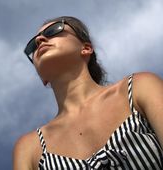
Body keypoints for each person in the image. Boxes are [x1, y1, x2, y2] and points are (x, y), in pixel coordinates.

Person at [13, 16, 163, 170]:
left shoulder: (139, 87)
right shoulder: (30, 148)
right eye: (32, 46)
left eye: (53, 30)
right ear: (42, 77)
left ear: (86, 48)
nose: (39, 40)